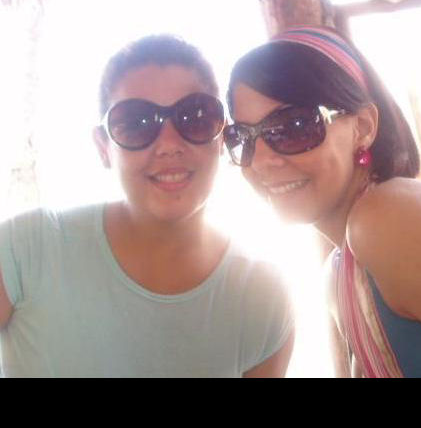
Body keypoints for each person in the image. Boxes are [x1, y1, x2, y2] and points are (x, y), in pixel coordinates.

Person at [224, 24, 421, 378]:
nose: (261, 160)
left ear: (363, 127)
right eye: (242, 137)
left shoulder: (387, 221)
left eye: (294, 126)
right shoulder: (339, 272)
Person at [0, 34, 293, 377]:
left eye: (195, 117)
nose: (169, 144)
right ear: (103, 147)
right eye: (136, 123)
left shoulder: (262, 299)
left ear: (221, 136)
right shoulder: (27, 250)